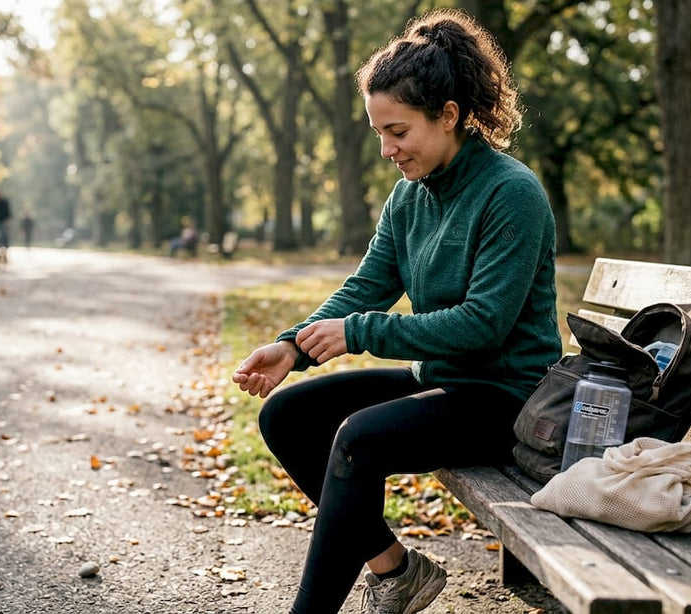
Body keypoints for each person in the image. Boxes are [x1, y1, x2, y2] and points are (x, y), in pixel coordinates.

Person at [231, 10, 561, 614]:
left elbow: (482, 324)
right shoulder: (410, 194)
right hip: (444, 382)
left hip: (508, 399)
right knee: (287, 416)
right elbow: (368, 284)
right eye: (379, 132)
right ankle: (397, 572)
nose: (387, 149)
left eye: (399, 131)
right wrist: (292, 346)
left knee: (358, 438)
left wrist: (360, 333)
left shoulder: (511, 193)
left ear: (451, 116)